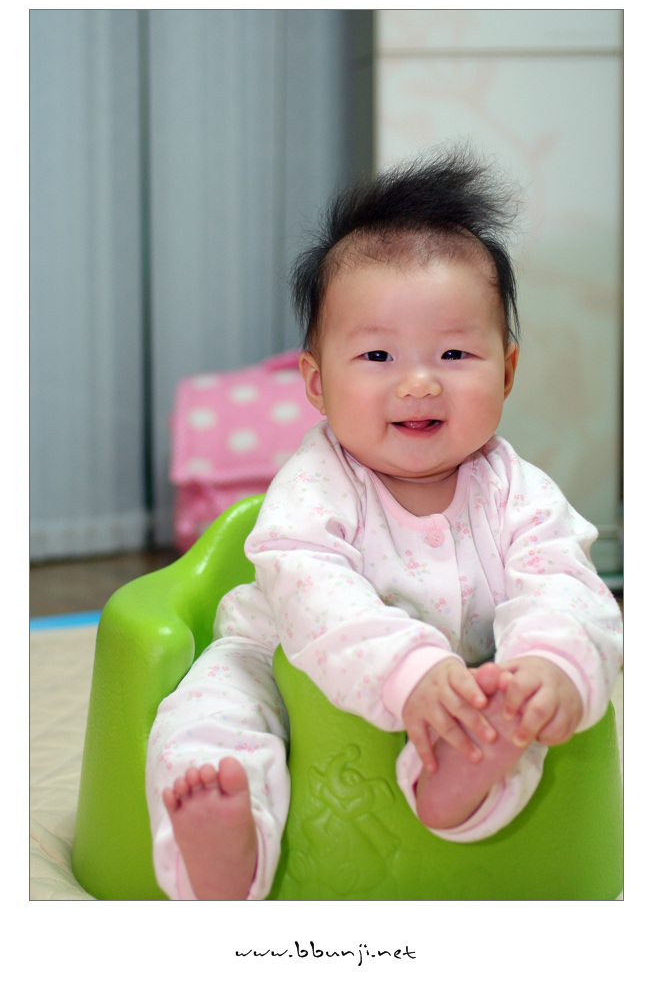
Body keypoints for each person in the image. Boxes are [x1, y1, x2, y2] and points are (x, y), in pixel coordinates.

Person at [145, 147, 623, 900]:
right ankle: (222, 848)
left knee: (515, 715)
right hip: (281, 661)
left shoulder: (518, 492)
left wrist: (552, 664)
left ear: (506, 370)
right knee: (209, 713)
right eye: (376, 354)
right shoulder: (315, 485)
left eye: (455, 352)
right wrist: (408, 670)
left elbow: (564, 582)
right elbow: (312, 595)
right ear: (316, 382)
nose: (419, 381)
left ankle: (458, 786)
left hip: (464, 675)